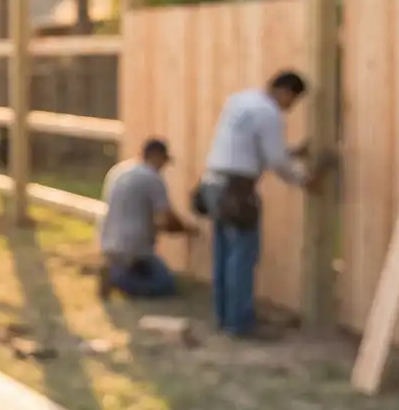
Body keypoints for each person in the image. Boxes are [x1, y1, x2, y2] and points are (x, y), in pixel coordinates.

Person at [198, 70, 333, 339]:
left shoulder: (241, 101)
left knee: (225, 254)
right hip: (237, 191)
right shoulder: (269, 112)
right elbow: (275, 161)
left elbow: (248, 146)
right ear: (285, 92)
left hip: (213, 185)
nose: (289, 108)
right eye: (292, 102)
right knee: (242, 256)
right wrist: (306, 180)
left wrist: (293, 150)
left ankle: (225, 318)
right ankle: (240, 324)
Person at [97, 138, 188, 299]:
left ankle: (116, 271)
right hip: (135, 248)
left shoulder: (119, 170)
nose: (164, 166)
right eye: (164, 160)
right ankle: (117, 278)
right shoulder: (152, 177)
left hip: (108, 242)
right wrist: (188, 229)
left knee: (145, 269)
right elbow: (166, 219)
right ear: (156, 156)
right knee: (165, 285)